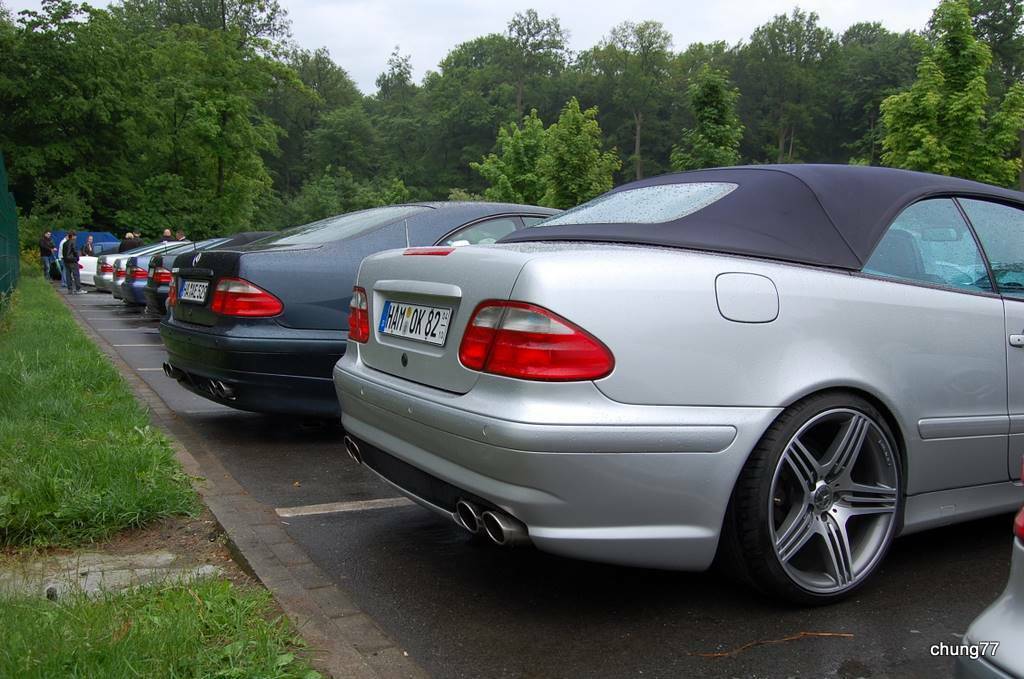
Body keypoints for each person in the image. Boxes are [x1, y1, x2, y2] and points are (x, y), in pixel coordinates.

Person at [61, 230, 84, 294]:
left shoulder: (65, 243)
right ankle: (78, 289)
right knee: (76, 275)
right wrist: (77, 258)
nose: (76, 237)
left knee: (68, 275)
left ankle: (70, 289)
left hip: (66, 260)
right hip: (72, 260)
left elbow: (63, 252)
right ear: (73, 236)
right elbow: (75, 251)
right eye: (75, 236)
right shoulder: (73, 242)